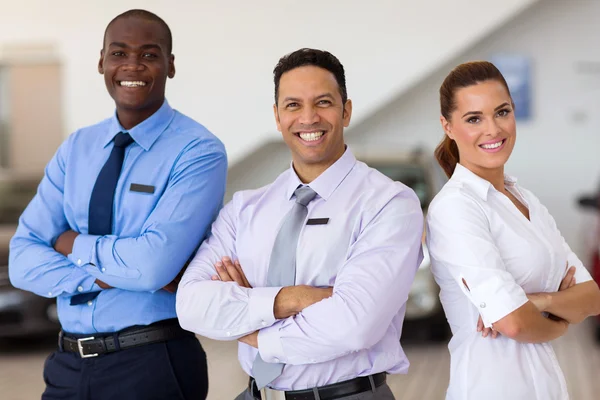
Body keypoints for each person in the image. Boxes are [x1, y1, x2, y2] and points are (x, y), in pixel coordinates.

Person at [176, 48, 424, 400]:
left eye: (323, 102)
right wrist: (292, 299)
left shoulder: (388, 203)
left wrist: (249, 326)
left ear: (346, 110)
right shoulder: (246, 208)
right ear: (277, 117)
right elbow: (190, 305)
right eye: (293, 105)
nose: (308, 118)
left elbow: (354, 325)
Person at [9, 9, 227, 400]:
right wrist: (113, 273)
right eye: (119, 53)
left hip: (151, 363)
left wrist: (72, 244)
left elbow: (151, 266)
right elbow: (22, 262)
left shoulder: (197, 151)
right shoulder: (76, 148)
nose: (132, 66)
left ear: (170, 65)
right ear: (101, 62)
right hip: (67, 365)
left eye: (148, 54)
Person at [426, 60, 600, 400]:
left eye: (502, 112)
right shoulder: (455, 208)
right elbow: (513, 324)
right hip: (489, 388)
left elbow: (592, 297)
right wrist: (561, 320)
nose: (493, 129)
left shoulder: (525, 199)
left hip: (545, 386)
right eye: (474, 118)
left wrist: (541, 301)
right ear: (447, 126)